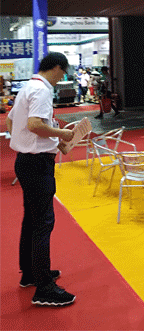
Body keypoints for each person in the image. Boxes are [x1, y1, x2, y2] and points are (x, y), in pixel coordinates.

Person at [6, 52, 77, 307]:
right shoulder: (43, 90)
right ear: (57, 68)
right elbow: (35, 124)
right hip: (37, 165)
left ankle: (31, 273)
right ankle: (44, 287)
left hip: (26, 161)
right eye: (63, 72)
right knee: (43, 223)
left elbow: (12, 122)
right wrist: (61, 134)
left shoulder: (28, 87)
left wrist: (31, 143)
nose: (62, 77)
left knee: (31, 220)